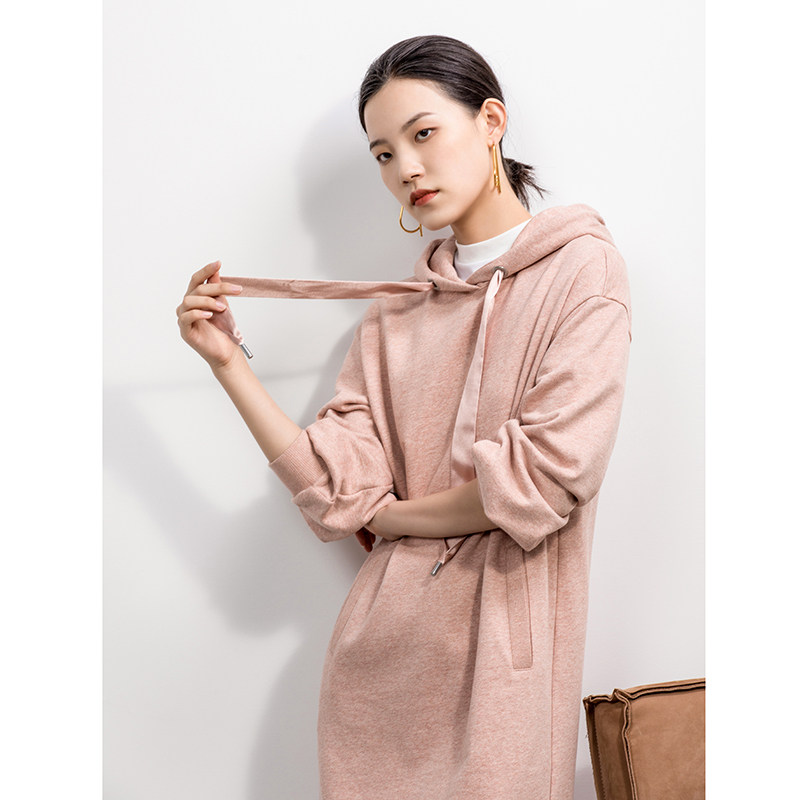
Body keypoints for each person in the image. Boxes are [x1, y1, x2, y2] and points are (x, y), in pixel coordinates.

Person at [176, 35, 631, 800]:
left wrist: (391, 520)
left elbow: (546, 481)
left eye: (424, 134)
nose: (406, 169)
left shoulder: (583, 269)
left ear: (491, 122)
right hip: (379, 670)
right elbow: (334, 491)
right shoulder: (393, 318)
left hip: (506, 669)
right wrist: (228, 364)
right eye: (384, 154)